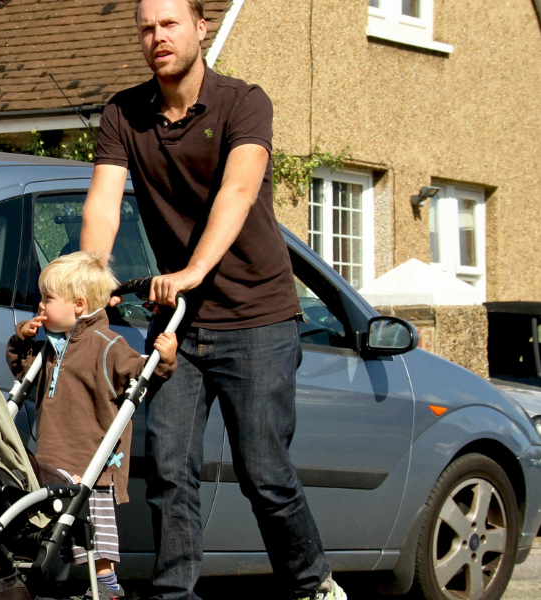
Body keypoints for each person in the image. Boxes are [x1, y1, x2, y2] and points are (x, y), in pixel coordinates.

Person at [77, 0, 345, 598]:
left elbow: (240, 188)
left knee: (265, 474)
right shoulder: (124, 113)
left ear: (201, 28)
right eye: (146, 28)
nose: (157, 38)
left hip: (258, 317)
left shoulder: (243, 102)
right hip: (179, 324)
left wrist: (196, 267)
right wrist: (91, 282)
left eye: (170, 24)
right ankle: (176, 595)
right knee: (170, 473)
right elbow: (103, 203)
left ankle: (313, 584)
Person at [6, 251, 177, 600]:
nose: (40, 305)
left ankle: (107, 583)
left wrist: (166, 360)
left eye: (48, 299)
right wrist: (22, 339)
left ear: (79, 305)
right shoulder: (50, 350)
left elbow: (140, 374)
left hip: (92, 461)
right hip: (55, 457)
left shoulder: (107, 346)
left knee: (93, 525)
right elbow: (23, 371)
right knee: (52, 526)